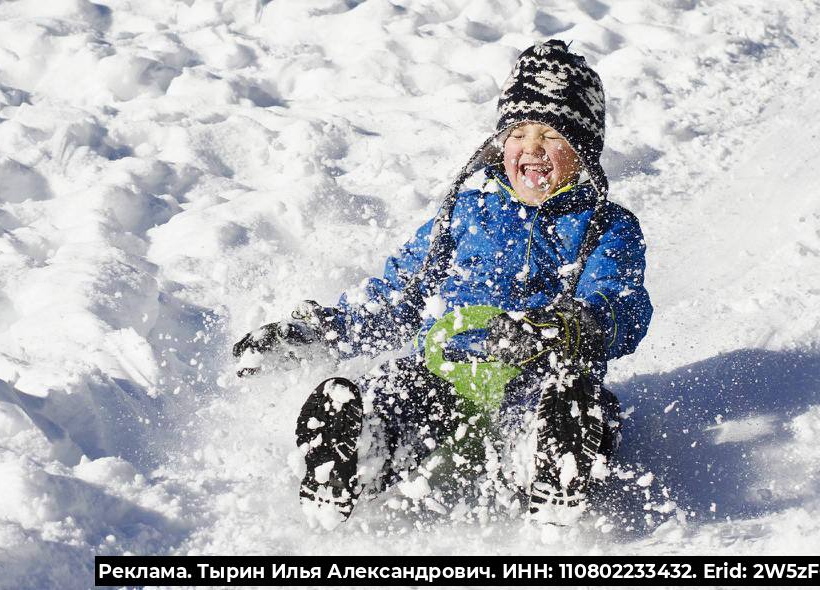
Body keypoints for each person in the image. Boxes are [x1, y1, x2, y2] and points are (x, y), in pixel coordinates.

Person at [232, 40, 651, 524]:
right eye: (518, 133)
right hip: (441, 372)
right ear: (500, 144)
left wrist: (574, 324)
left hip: (534, 372)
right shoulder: (465, 215)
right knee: (391, 388)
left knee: (576, 399)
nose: (532, 148)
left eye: (552, 136)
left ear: (583, 149)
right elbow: (398, 297)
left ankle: (547, 459)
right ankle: (360, 450)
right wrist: (319, 330)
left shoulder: (605, 226)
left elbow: (622, 301)